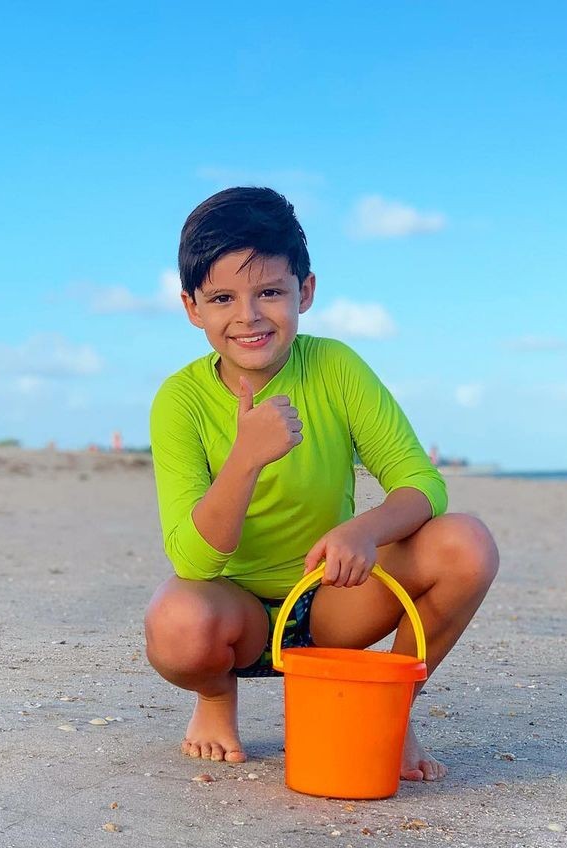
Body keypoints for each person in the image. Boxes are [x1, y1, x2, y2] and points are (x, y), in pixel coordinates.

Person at [145, 187, 498, 781]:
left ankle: (391, 709)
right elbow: (193, 559)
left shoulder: (335, 367)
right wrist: (245, 459)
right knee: (176, 624)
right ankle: (214, 700)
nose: (249, 316)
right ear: (192, 307)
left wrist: (364, 530)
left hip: (335, 599)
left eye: (270, 292)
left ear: (304, 291)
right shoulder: (179, 401)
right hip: (237, 617)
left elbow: (421, 482)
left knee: (467, 544)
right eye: (224, 298)